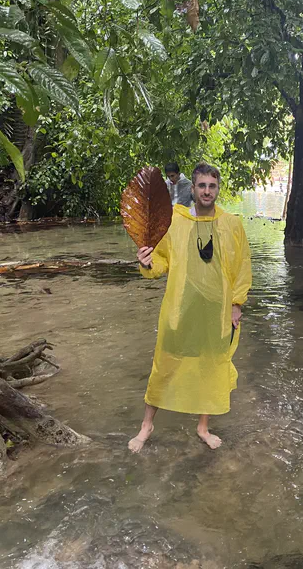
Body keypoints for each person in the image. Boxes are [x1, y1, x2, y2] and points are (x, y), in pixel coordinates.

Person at [129, 162, 252, 452]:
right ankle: (146, 426)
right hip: (180, 308)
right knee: (165, 364)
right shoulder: (175, 221)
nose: (207, 191)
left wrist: (236, 304)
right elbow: (160, 261)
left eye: (212, 186)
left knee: (211, 367)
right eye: (202, 186)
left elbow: (242, 267)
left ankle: (203, 427)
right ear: (192, 188)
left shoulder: (232, 224)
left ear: (218, 188)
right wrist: (146, 262)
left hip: (217, 312)